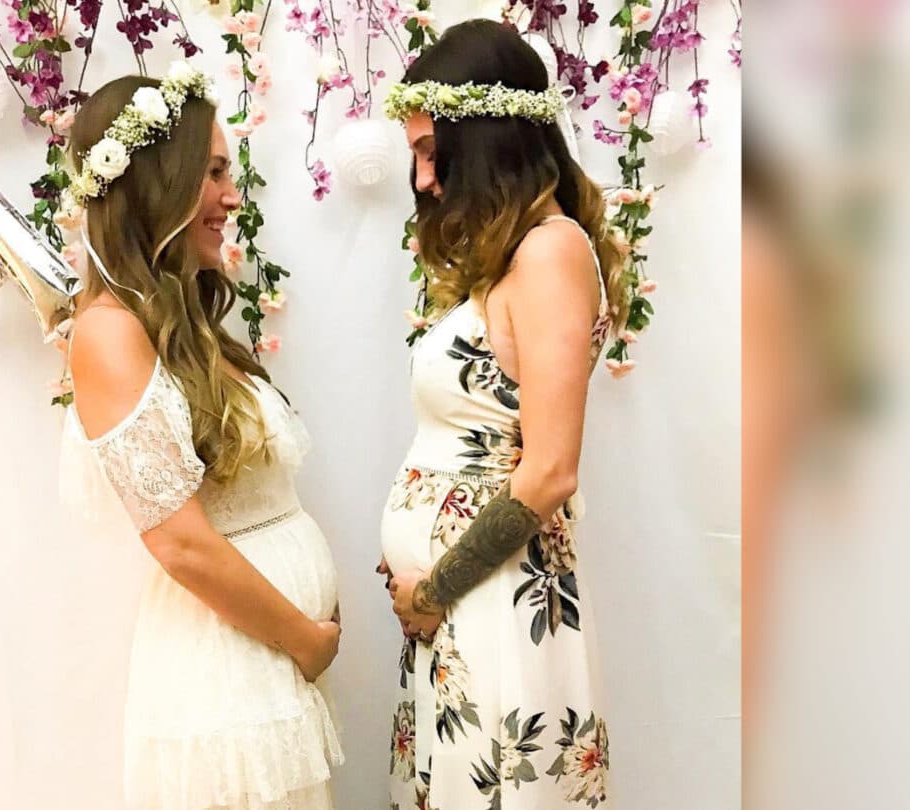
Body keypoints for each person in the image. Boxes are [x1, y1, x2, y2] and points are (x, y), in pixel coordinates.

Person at [57, 65, 344, 809]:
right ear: (159, 181)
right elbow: (178, 541)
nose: (230, 195)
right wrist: (305, 638)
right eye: (213, 171)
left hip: (258, 667)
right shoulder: (111, 333)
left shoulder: (188, 327)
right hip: (223, 673)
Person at [376, 20, 622, 809]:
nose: (422, 180)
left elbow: (549, 471)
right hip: (465, 610)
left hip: (493, 604)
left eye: (427, 151)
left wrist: (434, 587)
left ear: (478, 142)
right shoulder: (515, 256)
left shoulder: (551, 253)